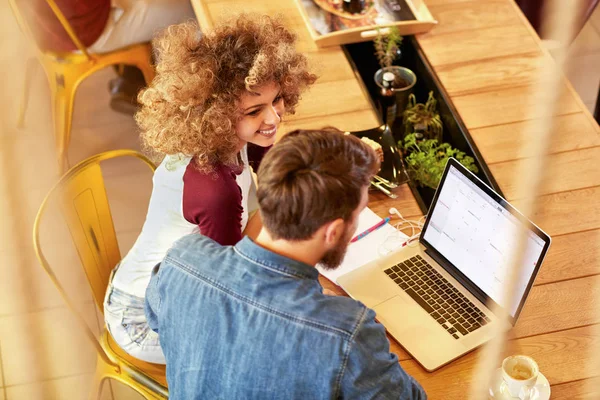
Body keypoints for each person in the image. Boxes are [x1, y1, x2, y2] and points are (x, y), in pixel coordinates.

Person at [145, 129, 427, 399]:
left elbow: (160, 318)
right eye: (357, 215)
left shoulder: (182, 259)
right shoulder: (347, 333)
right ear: (332, 231)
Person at [103, 16, 317, 364]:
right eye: (254, 110)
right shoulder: (217, 191)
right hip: (142, 319)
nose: (273, 118)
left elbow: (279, 172)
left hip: (159, 282)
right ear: (217, 112)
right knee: (281, 351)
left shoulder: (231, 135)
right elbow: (228, 286)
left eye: (277, 99)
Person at [20, 0, 196, 113]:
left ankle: (133, 77)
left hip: (46, 28)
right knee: (191, 9)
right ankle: (185, 109)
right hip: (82, 31)